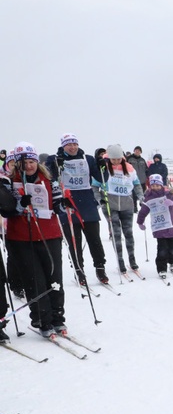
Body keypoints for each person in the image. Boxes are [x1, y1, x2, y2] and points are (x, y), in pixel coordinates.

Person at [0, 143, 67, 337]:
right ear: (16, 164)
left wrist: (63, 204)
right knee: (35, 280)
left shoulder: (48, 180)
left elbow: (56, 204)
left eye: (32, 161)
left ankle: (58, 318)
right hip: (21, 237)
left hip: (50, 234)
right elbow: (8, 209)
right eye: (24, 162)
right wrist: (20, 204)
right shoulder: (8, 182)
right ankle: (42, 319)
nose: (29, 166)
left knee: (54, 278)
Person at [47, 133, 107, 285]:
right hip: (68, 203)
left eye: (75, 144)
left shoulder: (88, 159)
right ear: (63, 146)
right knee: (74, 241)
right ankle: (78, 270)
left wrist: (103, 167)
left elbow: (102, 178)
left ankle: (100, 268)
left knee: (94, 239)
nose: (73, 147)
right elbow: (49, 178)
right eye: (69, 144)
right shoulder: (54, 159)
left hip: (87, 202)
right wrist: (55, 167)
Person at [101, 144, 144, 276]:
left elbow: (136, 184)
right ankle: (120, 261)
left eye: (118, 159)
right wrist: (99, 199)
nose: (115, 161)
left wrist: (141, 196)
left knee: (129, 234)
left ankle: (132, 260)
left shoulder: (129, 168)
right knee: (116, 235)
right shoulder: (104, 169)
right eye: (113, 159)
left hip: (127, 205)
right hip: (111, 206)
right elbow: (95, 185)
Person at [136, 174, 173, 280]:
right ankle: (161, 268)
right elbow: (143, 211)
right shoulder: (148, 198)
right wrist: (140, 222)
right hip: (159, 227)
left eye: (157, 185)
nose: (155, 187)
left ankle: (171, 262)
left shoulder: (169, 194)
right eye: (153, 185)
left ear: (161, 185)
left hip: (171, 225)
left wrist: (172, 203)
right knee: (162, 249)